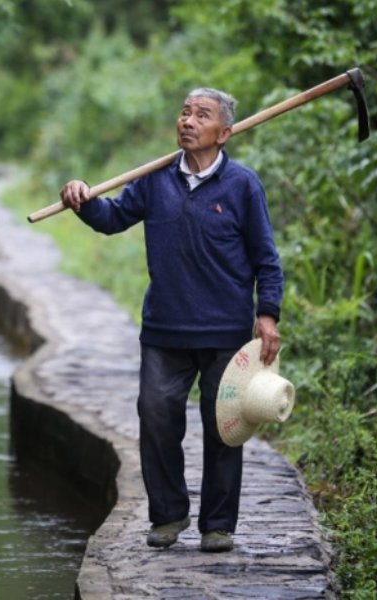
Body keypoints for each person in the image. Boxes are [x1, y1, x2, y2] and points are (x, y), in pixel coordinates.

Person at [58, 87, 284, 552]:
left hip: (225, 331)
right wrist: (82, 199)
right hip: (165, 329)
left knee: (225, 427)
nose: (187, 120)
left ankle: (218, 525)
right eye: (185, 112)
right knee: (156, 415)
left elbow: (266, 258)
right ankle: (168, 514)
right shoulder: (155, 180)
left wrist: (268, 315)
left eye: (201, 115)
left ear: (224, 133)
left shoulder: (243, 185)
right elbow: (113, 217)